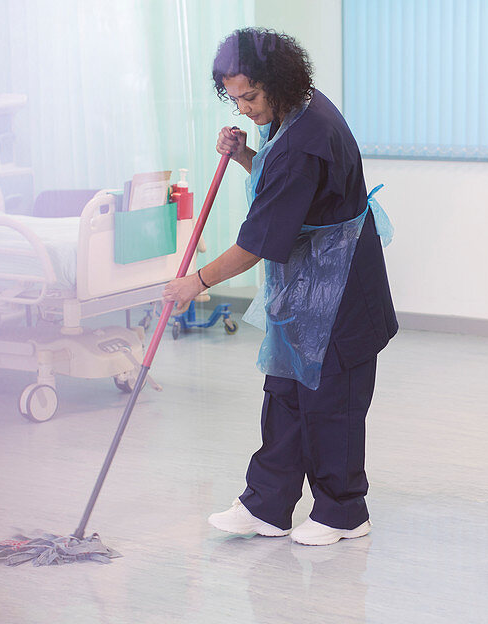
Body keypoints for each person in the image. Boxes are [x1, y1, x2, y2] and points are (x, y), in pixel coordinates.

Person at [161, 28, 397, 546]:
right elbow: (286, 190)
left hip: (340, 290)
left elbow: (259, 242)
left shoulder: (305, 140)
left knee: (332, 400)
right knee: (285, 392)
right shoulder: (296, 110)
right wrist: (248, 153)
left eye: (249, 96)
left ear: (278, 81)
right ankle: (268, 504)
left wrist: (195, 283)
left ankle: (343, 512)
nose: (243, 108)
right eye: (235, 98)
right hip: (307, 284)